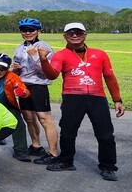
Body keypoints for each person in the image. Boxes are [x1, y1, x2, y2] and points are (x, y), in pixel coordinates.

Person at [37, 23, 125, 181]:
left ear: (85, 34)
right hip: (72, 97)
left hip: (97, 98)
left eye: (79, 32)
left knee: (105, 135)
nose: (75, 35)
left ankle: (108, 167)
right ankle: (66, 161)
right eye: (71, 33)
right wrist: (43, 60)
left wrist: (117, 100)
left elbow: (110, 77)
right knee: (68, 133)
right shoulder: (61, 55)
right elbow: (52, 75)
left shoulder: (100, 54)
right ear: (64, 36)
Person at [12, 18, 60, 163]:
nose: (27, 33)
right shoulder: (19, 49)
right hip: (24, 86)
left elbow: (47, 72)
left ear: (38, 31)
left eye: (31, 30)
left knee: (45, 119)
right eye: (24, 30)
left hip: (39, 86)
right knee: (29, 119)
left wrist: (35, 56)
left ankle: (53, 153)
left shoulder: (44, 47)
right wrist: (15, 70)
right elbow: (17, 71)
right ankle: (36, 145)